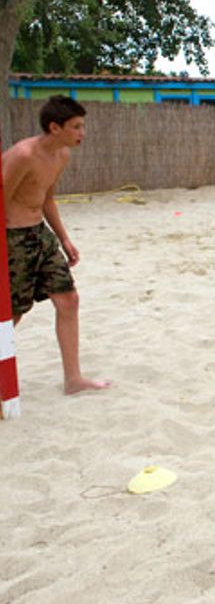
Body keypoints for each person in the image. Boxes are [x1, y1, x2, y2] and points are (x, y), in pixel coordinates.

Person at [2, 95, 110, 394]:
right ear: (54, 127)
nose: (82, 133)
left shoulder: (62, 155)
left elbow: (47, 199)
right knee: (13, 313)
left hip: (41, 234)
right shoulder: (23, 155)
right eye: (76, 127)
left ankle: (73, 379)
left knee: (68, 299)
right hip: (13, 238)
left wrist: (63, 238)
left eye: (82, 126)